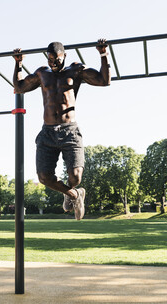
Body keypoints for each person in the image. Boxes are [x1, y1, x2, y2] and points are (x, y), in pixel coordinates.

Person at [13, 39, 111, 220]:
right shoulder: (42, 73)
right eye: (50, 59)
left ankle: (72, 189)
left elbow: (104, 80)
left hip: (69, 131)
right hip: (48, 132)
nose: (53, 63)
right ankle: (73, 194)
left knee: (75, 177)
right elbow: (19, 88)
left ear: (64, 56)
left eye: (57, 59)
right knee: (43, 176)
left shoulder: (75, 70)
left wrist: (103, 54)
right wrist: (18, 64)